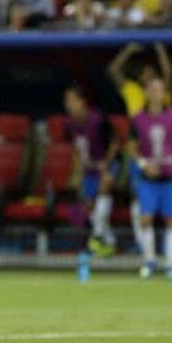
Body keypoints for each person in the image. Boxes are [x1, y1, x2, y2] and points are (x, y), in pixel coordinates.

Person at [130, 76, 172, 279]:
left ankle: (171, 264)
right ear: (147, 93)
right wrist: (143, 164)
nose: (156, 94)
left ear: (165, 94)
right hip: (148, 179)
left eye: (160, 90)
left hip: (171, 176)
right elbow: (132, 147)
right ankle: (149, 260)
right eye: (152, 89)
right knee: (145, 218)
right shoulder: (139, 119)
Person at [108, 42, 172, 253]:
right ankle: (143, 245)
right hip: (138, 152)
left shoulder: (162, 95)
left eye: (152, 75)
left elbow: (169, 74)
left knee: (166, 206)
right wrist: (127, 50)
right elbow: (113, 71)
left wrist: (160, 48)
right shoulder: (133, 91)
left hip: (162, 154)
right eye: (144, 74)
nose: (148, 78)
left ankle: (163, 248)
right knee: (137, 197)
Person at [62, 86, 120, 257]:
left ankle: (96, 236)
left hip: (108, 163)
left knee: (104, 186)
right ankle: (108, 241)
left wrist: (106, 163)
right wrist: (78, 172)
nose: (68, 105)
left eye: (71, 100)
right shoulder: (69, 124)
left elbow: (115, 141)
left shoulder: (98, 119)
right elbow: (76, 149)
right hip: (89, 168)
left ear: (82, 102)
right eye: (67, 101)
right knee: (90, 206)